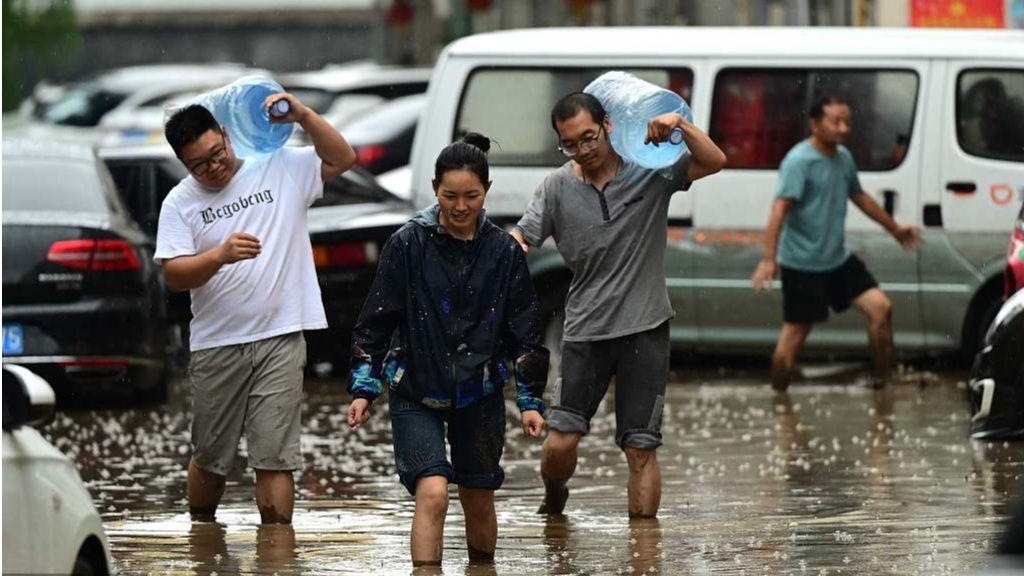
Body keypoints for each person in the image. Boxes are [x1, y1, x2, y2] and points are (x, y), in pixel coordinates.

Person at [510, 91, 727, 519]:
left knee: (640, 448)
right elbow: (524, 237)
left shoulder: (652, 171)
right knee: (560, 443)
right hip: (585, 332)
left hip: (646, 329)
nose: (583, 150)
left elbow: (715, 161)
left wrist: (680, 127)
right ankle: (555, 495)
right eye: (570, 143)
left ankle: (643, 551)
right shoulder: (556, 188)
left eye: (589, 137)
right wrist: (500, 253)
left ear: (608, 125)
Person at [345, 133, 549, 567]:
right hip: (415, 387)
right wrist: (363, 389)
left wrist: (530, 402)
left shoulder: (503, 252)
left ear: (487, 191)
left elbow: (525, 334)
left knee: (478, 498)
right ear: (434, 188)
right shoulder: (407, 244)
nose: (460, 207)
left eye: (471, 196)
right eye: (450, 195)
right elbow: (375, 324)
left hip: (481, 390)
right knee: (433, 492)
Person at [156, 96, 356, 524]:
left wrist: (302, 115)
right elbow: (174, 274)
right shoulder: (179, 203)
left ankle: (278, 554)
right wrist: (219, 256)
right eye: (200, 165)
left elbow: (343, 156)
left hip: (281, 335)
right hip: (217, 343)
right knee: (210, 458)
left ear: (227, 136)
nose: (214, 167)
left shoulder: (278, 165)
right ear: (183, 164)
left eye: (217, 153)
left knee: (275, 455)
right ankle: (202, 536)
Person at [751, 94, 921, 391]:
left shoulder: (843, 158)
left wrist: (895, 229)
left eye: (847, 122)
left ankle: (882, 385)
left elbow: (860, 197)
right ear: (815, 125)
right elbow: (779, 209)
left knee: (881, 309)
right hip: (803, 265)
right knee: (793, 339)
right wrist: (769, 259)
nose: (843, 129)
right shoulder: (799, 161)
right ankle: (779, 399)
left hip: (837, 260)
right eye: (836, 122)